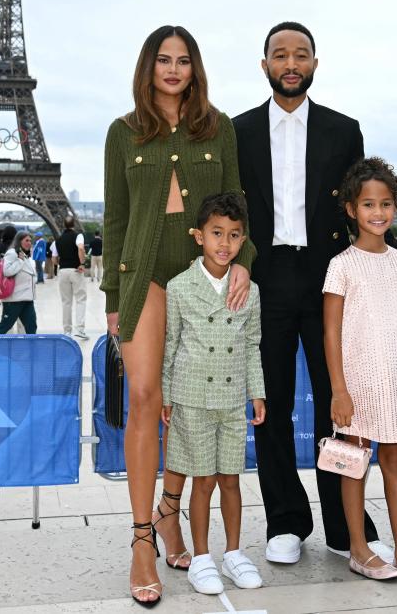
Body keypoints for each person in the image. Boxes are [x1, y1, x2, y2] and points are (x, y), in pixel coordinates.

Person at [233, 21, 397, 567]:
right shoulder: (238, 130)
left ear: (315, 64)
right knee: (271, 403)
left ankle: (346, 527)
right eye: (280, 54)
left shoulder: (345, 130)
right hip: (265, 276)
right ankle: (285, 521)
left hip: (329, 278)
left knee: (342, 406)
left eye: (301, 55)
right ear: (264, 63)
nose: (290, 63)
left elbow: (365, 205)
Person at [102, 24, 257, 606]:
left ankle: (170, 513)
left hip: (204, 279)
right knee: (144, 399)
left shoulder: (219, 129)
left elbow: (237, 203)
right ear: (148, 68)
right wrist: (115, 302)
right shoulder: (122, 133)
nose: (173, 69)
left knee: (191, 405)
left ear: (195, 69)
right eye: (163, 60)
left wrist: (244, 262)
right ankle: (143, 538)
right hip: (144, 277)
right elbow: (116, 219)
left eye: (183, 60)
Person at [323, 157, 397, 590]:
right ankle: (359, 548)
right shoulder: (342, 265)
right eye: (368, 204)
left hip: (393, 382)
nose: (377, 212)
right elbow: (330, 331)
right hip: (355, 383)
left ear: (396, 208)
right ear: (351, 209)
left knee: (394, 461)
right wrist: (338, 388)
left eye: (386, 204)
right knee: (354, 462)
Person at [160, 193, 266, 595]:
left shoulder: (249, 291)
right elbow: (171, 345)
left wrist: (257, 392)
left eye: (234, 235)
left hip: (231, 399)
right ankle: (201, 556)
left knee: (232, 480)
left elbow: (252, 343)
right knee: (202, 481)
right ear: (198, 236)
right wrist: (168, 394)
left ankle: (234, 552)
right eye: (216, 233)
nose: (225, 243)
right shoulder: (180, 287)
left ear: (243, 242)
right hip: (192, 397)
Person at [0, 230, 38, 334]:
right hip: (14, 299)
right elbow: (7, 271)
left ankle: (31, 349)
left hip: (27, 298)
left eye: (30, 241)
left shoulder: (23, 254)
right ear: (19, 241)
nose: (29, 243)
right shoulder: (12, 253)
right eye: (26, 240)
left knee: (32, 327)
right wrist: (19, 260)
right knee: (5, 326)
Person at [55, 214, 89, 339]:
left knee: (66, 302)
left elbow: (54, 259)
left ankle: (67, 330)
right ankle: (80, 329)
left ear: (63, 224)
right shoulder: (78, 236)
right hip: (76, 271)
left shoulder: (58, 239)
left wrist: (63, 263)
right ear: (74, 224)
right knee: (80, 299)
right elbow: (80, 248)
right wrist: (82, 263)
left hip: (63, 271)